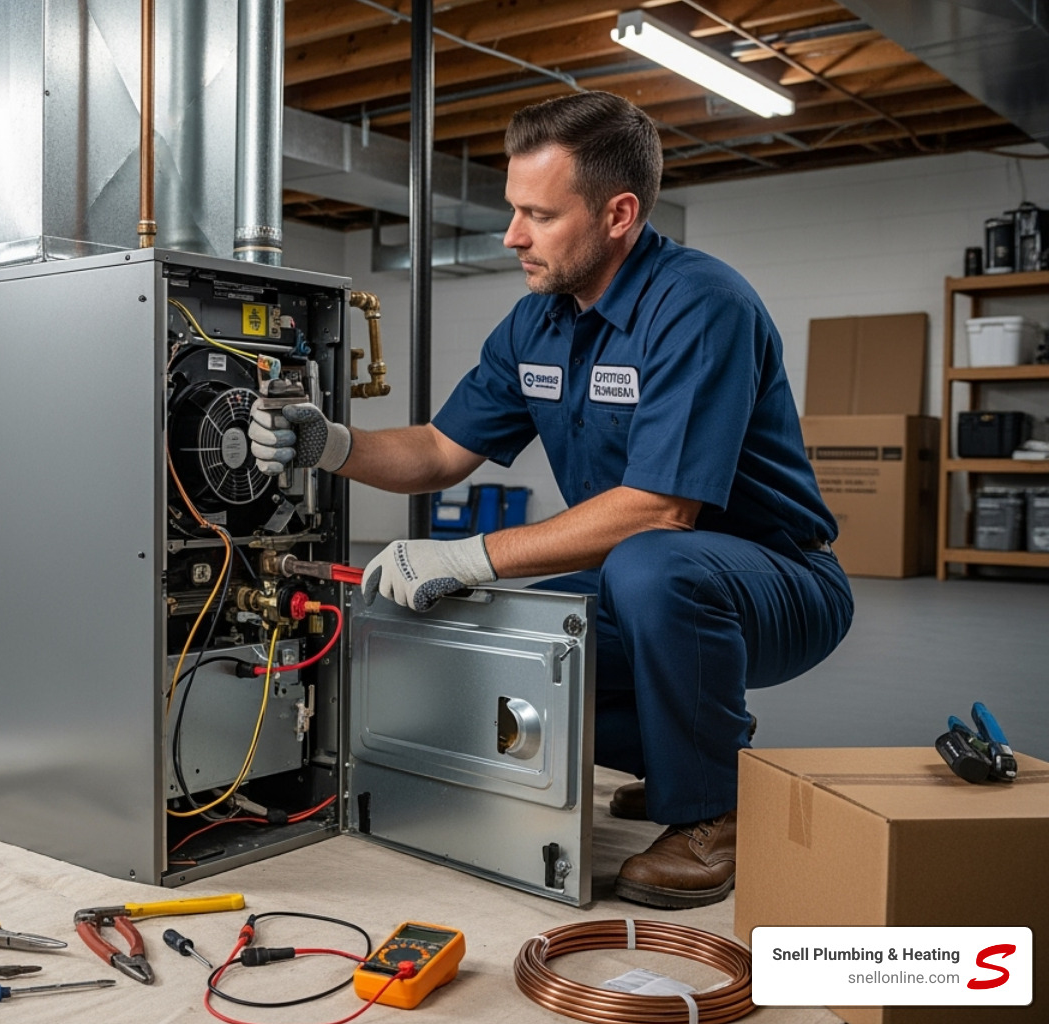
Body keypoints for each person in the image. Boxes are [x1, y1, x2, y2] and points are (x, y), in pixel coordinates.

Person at [248, 91, 853, 909]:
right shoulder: (539, 322)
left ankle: (713, 811)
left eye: (538, 213)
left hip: (781, 581)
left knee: (649, 567)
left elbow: (659, 510)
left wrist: (469, 553)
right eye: (512, 210)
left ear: (618, 214)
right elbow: (436, 451)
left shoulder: (700, 305)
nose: (512, 236)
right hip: (649, 575)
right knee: (510, 636)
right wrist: (332, 444)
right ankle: (690, 762)